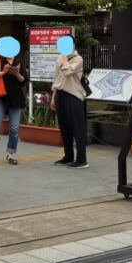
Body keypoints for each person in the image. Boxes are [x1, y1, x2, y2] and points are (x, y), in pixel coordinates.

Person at [52, 39, 89, 169]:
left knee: (78, 128)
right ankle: (68, 156)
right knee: (64, 128)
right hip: (61, 94)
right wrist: (53, 96)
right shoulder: (59, 58)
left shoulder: (78, 59)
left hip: (74, 96)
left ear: (73, 45)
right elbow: (56, 77)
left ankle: (81, 160)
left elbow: (68, 72)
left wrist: (65, 60)